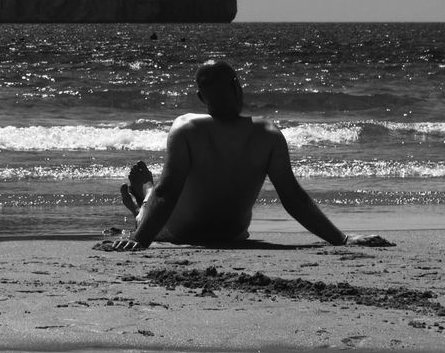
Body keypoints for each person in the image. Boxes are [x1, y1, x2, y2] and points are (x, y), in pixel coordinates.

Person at [102, 60, 389, 251]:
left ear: (201, 98)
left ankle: (144, 197)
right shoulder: (267, 134)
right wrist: (342, 239)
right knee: (152, 203)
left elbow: (169, 191)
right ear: (238, 87)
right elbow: (293, 198)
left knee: (155, 202)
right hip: (228, 234)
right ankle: (143, 196)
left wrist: (140, 242)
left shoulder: (185, 127)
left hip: (180, 233)